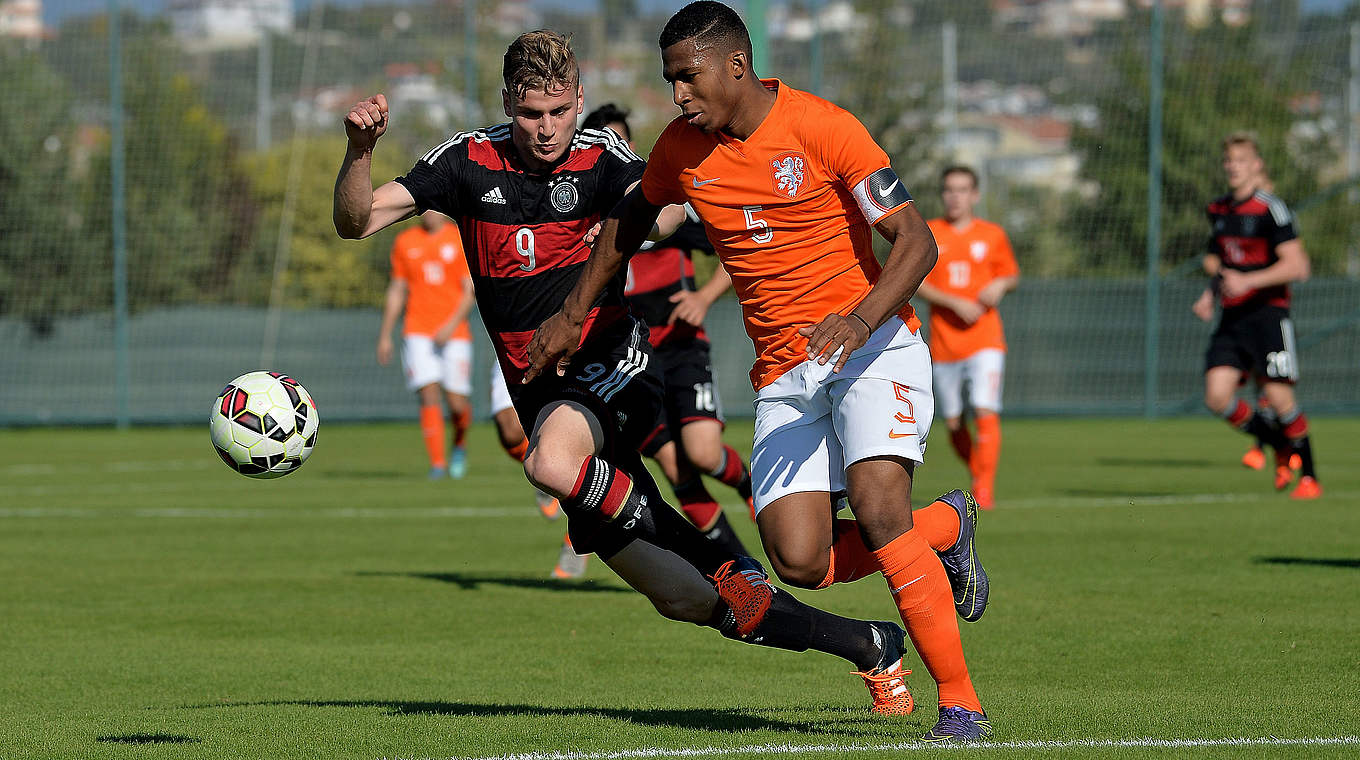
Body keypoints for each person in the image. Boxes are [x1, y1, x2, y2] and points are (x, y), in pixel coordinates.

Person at [336, 29, 922, 714]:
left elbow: (668, 205)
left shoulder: (600, 156)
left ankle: (727, 560)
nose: (547, 129)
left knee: (550, 464)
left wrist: (634, 224)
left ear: (579, 99)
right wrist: (359, 152)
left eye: (559, 111)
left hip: (611, 366)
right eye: (531, 114)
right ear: (507, 104)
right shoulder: (468, 162)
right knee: (687, 601)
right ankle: (869, 644)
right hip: (543, 393)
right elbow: (356, 221)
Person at [527, 3, 992, 742]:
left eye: (689, 76)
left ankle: (961, 704)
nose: (679, 94)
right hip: (786, 372)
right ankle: (944, 526)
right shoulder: (681, 148)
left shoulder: (823, 128)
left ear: (735, 66)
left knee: (876, 506)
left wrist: (860, 319)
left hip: (874, 347)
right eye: (670, 79)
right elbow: (627, 222)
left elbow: (915, 241)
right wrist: (572, 313)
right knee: (799, 561)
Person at [587, 103, 753, 553]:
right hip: (629, 364)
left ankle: (752, 486)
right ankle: (738, 565)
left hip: (681, 349)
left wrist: (702, 297)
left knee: (701, 454)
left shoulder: (663, 211)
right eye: (601, 140)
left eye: (618, 140)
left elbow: (734, 250)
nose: (610, 149)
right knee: (676, 469)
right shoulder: (585, 221)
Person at [1191, 132, 1320, 500]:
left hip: (1268, 316)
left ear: (1256, 165)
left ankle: (1310, 475)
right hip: (1232, 319)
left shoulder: (1270, 209)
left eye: (1241, 160)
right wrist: (1209, 294)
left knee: (1280, 399)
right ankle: (1279, 445)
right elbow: (1223, 264)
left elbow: (1296, 265)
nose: (1233, 166)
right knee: (1217, 397)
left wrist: (1249, 280)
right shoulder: (1218, 210)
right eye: (1228, 160)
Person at [916, 166, 1020, 510]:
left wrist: (999, 285)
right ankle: (978, 468)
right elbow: (915, 282)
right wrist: (953, 301)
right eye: (949, 189)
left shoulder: (992, 235)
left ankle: (984, 487)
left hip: (986, 339)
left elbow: (1010, 275)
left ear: (975, 195)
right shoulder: (930, 233)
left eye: (962, 189)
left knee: (984, 406)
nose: (955, 196)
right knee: (955, 420)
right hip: (945, 345)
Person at [377, 210, 475, 480]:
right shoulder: (406, 241)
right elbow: (397, 289)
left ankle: (459, 443)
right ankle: (438, 464)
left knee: (457, 404)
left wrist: (451, 325)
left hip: (454, 334)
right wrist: (385, 334)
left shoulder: (459, 238)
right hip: (417, 331)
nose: (431, 211)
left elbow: (470, 291)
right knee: (428, 394)